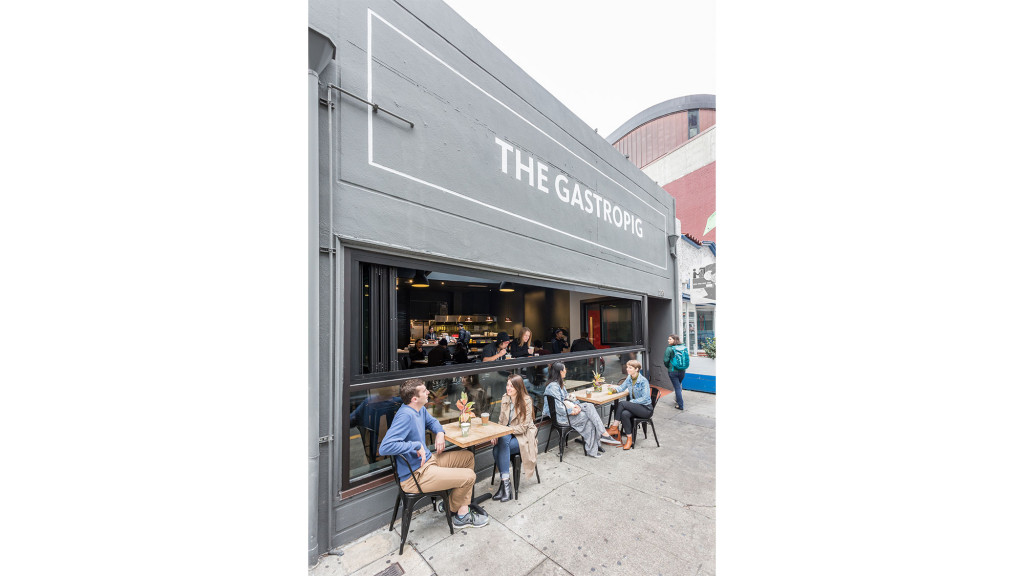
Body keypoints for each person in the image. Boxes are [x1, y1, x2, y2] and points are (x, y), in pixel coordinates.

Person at [377, 379, 489, 528]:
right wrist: (415, 445)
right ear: (414, 399)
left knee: (467, 457)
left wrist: (440, 433)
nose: (428, 392)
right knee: (469, 477)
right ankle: (461, 515)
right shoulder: (406, 415)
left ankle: (453, 505)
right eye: (424, 391)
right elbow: (385, 447)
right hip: (415, 475)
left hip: (428, 461)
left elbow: (433, 422)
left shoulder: (419, 409)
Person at [543, 361, 621, 457]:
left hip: (566, 412)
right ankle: (595, 445)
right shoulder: (553, 387)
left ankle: (603, 435)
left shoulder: (558, 384)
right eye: (564, 369)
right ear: (560, 372)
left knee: (589, 406)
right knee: (588, 418)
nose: (566, 371)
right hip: (561, 417)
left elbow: (567, 397)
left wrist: (576, 405)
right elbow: (559, 409)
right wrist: (572, 411)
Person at [490, 374, 538, 502]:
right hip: (507, 437)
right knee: (497, 448)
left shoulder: (526, 400)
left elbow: (523, 427)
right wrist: (496, 434)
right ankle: (506, 485)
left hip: (523, 437)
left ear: (518, 387)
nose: (508, 388)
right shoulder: (505, 398)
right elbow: (501, 421)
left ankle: (504, 487)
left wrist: (506, 431)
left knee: (501, 443)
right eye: (507, 385)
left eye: (511, 386)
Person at [607, 359, 653, 451]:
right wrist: (613, 390)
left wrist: (632, 402)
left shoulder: (643, 381)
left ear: (636, 369)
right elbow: (622, 388)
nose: (627, 369)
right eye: (627, 367)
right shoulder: (629, 378)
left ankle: (614, 427)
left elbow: (646, 398)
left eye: (630, 368)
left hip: (646, 409)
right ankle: (629, 439)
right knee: (624, 414)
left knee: (622, 404)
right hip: (637, 408)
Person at [663, 334, 688, 411]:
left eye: (670, 339)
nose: (668, 340)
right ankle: (677, 399)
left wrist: (669, 367)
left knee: (677, 387)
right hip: (682, 371)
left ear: (675, 340)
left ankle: (680, 405)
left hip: (673, 371)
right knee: (678, 386)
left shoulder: (669, 349)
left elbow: (665, 360)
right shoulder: (683, 347)